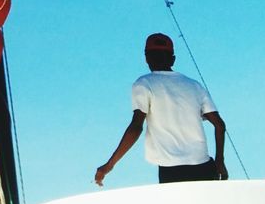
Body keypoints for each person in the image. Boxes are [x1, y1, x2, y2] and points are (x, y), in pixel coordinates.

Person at [95, 32, 228, 185]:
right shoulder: (193, 85)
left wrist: (109, 165)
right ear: (173, 59)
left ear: (146, 58)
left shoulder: (144, 84)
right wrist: (219, 161)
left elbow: (136, 128)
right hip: (204, 165)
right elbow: (219, 125)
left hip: (171, 169)